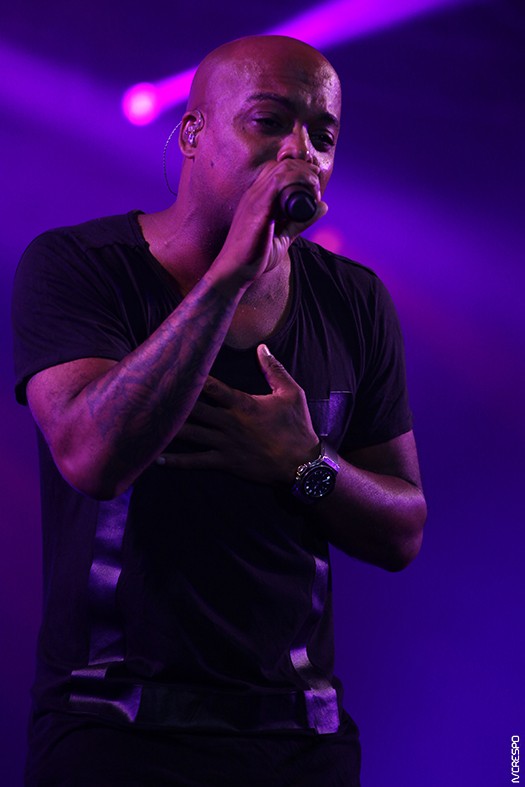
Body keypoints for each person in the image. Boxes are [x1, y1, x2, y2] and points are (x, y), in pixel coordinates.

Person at [12, 34, 426, 786]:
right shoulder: (80, 267)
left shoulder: (355, 300)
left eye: (322, 135)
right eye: (269, 122)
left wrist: (304, 465)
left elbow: (403, 529)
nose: (300, 152)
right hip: (114, 730)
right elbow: (90, 456)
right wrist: (229, 276)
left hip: (299, 740)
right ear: (192, 133)